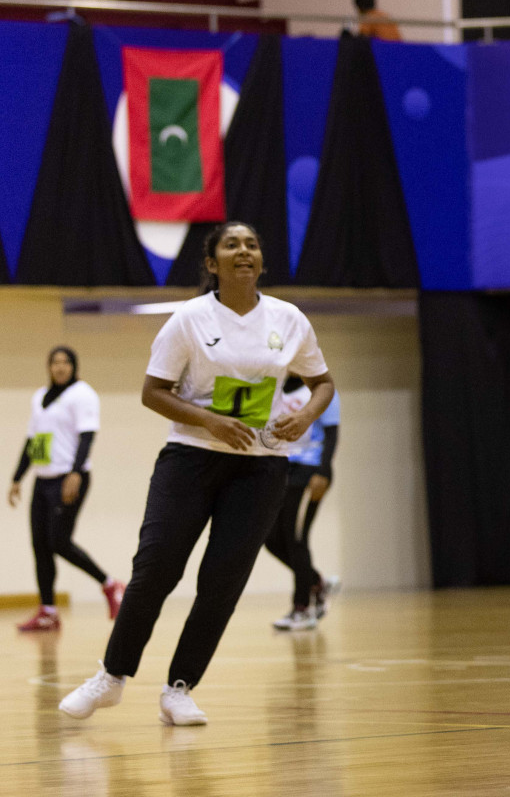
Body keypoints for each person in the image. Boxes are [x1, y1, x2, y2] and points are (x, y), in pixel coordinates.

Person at [57, 222, 335, 727]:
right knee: (156, 569)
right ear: (212, 264)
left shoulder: (289, 319)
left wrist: (307, 415)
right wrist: (210, 421)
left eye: (252, 244)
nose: (243, 251)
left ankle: (179, 688)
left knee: (222, 582)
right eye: (231, 245)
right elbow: (153, 392)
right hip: (190, 458)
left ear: (261, 262)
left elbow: (322, 381)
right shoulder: (188, 320)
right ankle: (111, 676)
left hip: (261, 466)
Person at [8, 346, 125, 632]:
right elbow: (33, 440)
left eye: (65, 362)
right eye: (55, 362)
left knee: (59, 540)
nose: (60, 367)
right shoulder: (40, 397)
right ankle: (47, 611)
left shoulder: (83, 394)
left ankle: (110, 585)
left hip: (69, 478)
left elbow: (87, 436)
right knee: (40, 545)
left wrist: (75, 472)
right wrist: (17, 477)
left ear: (74, 366)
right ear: (48, 367)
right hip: (43, 479)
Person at [264, 376, 342, 630]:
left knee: (296, 538)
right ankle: (317, 581)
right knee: (272, 538)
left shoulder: (320, 390)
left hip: (310, 471)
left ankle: (302, 608)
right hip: (284, 469)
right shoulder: (278, 388)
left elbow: (332, 434)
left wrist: (324, 471)